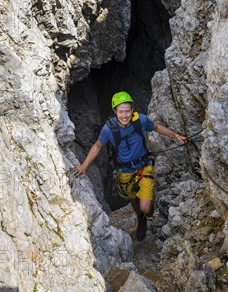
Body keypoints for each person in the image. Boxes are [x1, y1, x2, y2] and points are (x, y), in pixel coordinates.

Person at [73, 91, 186, 241]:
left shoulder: (141, 121)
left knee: (146, 206)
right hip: (125, 171)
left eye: (127, 111)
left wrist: (175, 135)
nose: (124, 115)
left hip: (144, 166)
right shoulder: (109, 129)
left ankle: (147, 209)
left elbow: (157, 127)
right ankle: (141, 219)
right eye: (121, 111)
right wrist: (84, 166)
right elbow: (97, 146)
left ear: (132, 110)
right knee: (133, 198)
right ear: (115, 112)